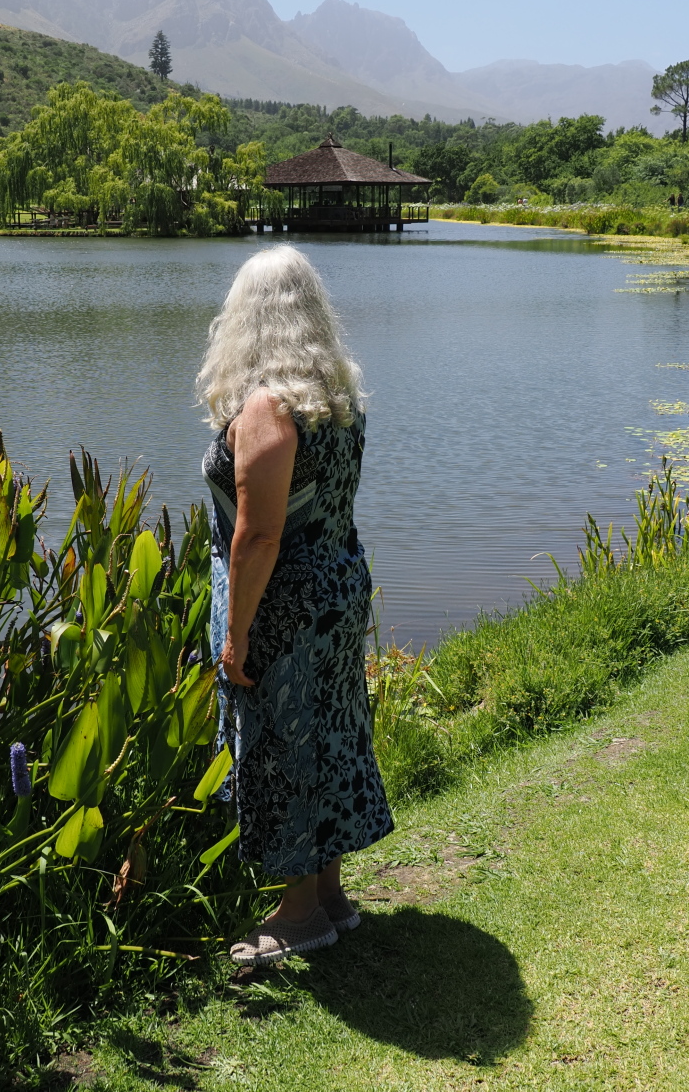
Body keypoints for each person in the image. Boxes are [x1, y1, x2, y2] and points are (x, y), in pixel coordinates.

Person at [196, 245, 393, 966]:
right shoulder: (334, 398)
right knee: (331, 731)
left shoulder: (266, 409)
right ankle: (331, 897)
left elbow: (257, 534)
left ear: (244, 320)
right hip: (338, 587)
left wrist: (236, 635)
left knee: (282, 745)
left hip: (286, 605)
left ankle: (298, 912)